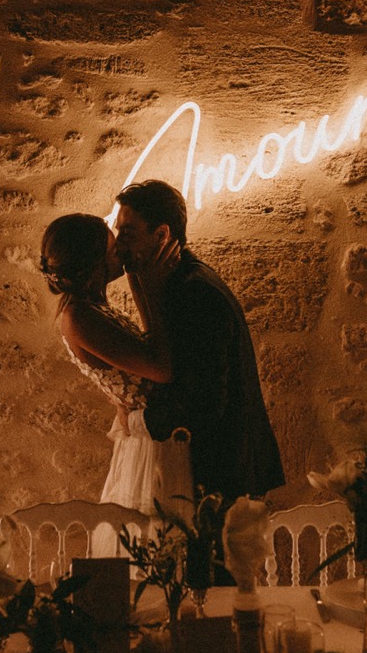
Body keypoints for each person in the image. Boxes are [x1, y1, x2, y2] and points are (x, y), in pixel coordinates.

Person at [113, 180, 285, 504]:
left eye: (128, 233)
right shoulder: (178, 283)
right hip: (216, 471)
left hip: (221, 476)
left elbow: (204, 401)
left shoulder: (195, 294)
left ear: (161, 235)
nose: (117, 244)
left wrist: (136, 421)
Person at [40, 213, 192, 515]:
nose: (121, 251)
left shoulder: (92, 307)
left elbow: (144, 351)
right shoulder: (79, 316)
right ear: (93, 262)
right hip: (152, 449)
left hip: (155, 435)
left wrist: (138, 280)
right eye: (112, 249)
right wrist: (150, 289)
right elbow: (161, 368)